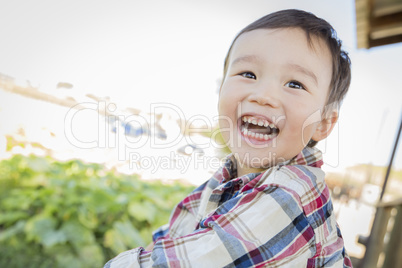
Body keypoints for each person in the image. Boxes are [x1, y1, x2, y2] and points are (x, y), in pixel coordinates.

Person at [104, 9, 352, 267]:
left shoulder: (292, 194)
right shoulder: (227, 177)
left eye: (295, 84)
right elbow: (175, 233)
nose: (263, 95)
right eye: (248, 74)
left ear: (323, 123)